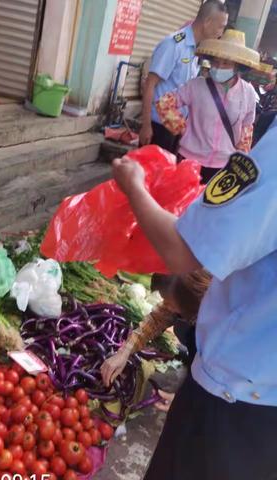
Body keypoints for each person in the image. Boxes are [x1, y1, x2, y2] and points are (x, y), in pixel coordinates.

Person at [111, 128, 277, 478]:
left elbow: (184, 251)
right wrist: (124, 351)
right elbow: (159, 316)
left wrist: (134, 188)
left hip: (234, 402)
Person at [155, 29, 259, 184]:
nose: (219, 66)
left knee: (210, 207)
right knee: (183, 204)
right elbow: (164, 103)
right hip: (190, 160)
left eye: (226, 63)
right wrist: (182, 129)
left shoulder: (248, 92)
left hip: (224, 166)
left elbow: (247, 126)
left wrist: (240, 158)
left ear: (237, 66)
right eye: (216, 62)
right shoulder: (196, 85)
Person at [101, 270, 212, 411]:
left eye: (170, 303)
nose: (166, 305)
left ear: (190, 304)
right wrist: (124, 351)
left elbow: (221, 378)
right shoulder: (184, 292)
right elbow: (155, 320)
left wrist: (186, 401)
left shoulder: (221, 325)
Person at [139, 0, 228, 152]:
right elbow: (150, 84)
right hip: (158, 127)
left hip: (176, 127)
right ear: (207, 22)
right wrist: (146, 125)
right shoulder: (174, 44)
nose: (221, 33)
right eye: (220, 26)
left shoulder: (195, 49)